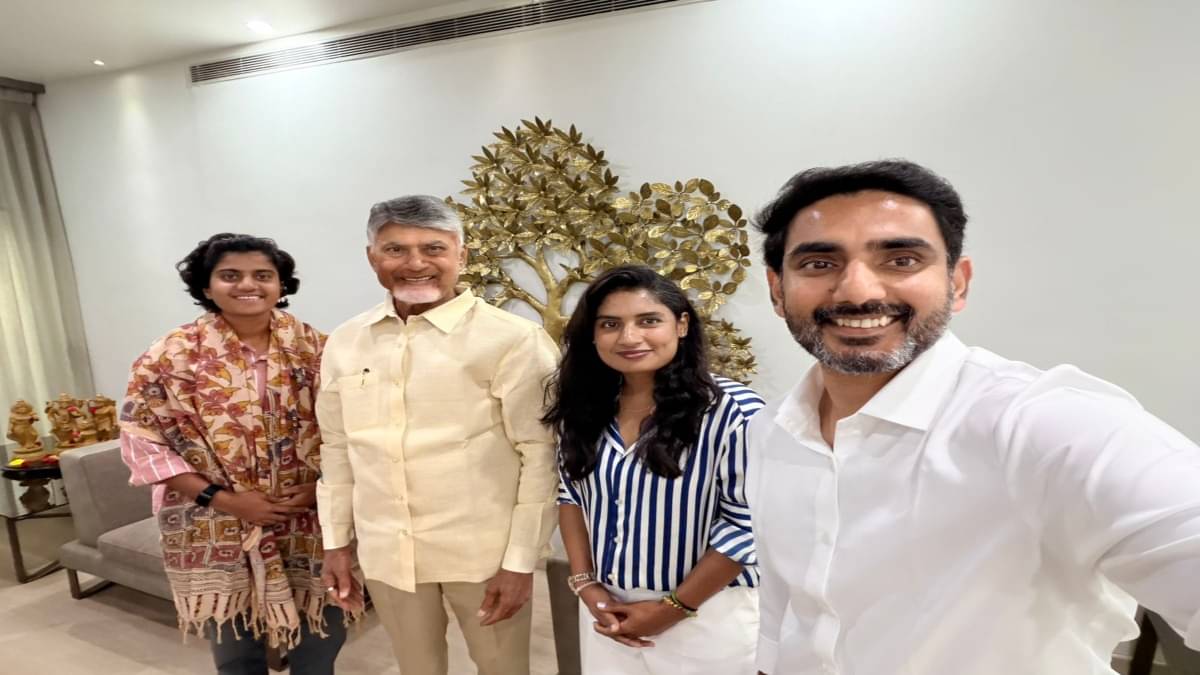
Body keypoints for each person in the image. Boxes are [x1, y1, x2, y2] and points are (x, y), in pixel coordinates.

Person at [748, 159, 1200, 674]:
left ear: (957, 284)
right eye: (819, 264)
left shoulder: (1043, 423)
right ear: (777, 291)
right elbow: (786, 614)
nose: (858, 291)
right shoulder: (773, 430)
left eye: (900, 260)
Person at [316, 195, 559, 675]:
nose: (415, 264)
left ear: (461, 254)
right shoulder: (346, 341)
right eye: (395, 250)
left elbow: (542, 454)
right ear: (372, 258)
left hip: (483, 553)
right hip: (387, 548)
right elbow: (338, 448)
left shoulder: (512, 339)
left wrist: (520, 562)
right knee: (416, 668)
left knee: (503, 669)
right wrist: (336, 542)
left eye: (433, 248)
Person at [119, 233, 348, 675]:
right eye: (230, 275)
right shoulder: (168, 356)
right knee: (235, 652)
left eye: (263, 275)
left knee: (321, 639)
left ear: (282, 285)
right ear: (206, 287)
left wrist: (318, 489)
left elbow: (355, 429)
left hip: (308, 516)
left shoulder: (321, 350)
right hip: (215, 520)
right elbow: (144, 442)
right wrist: (226, 500)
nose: (248, 285)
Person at [543, 265, 764, 674]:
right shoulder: (585, 410)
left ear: (681, 325)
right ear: (592, 335)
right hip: (608, 609)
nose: (629, 338)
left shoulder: (733, 410)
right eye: (610, 324)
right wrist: (586, 584)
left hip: (708, 613)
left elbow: (746, 524)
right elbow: (570, 495)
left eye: (649, 321)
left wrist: (674, 607)